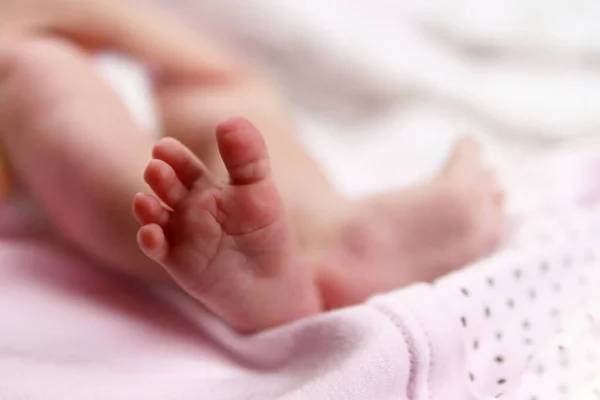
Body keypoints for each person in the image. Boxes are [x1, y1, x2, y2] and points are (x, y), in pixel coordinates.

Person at [0, 0, 504, 332]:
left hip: (104, 59)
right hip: (27, 110)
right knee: (39, 76)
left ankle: (335, 234)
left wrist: (202, 69)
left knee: (229, 99)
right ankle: (201, 241)